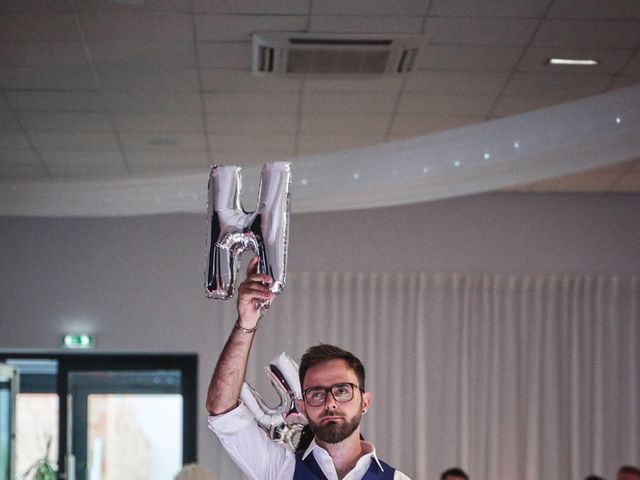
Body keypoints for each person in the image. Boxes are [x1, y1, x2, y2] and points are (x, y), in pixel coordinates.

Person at [206, 256, 411, 479]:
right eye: (317, 393)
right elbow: (222, 410)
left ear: (365, 402)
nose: (330, 402)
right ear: (303, 407)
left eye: (342, 391)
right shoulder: (279, 468)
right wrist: (245, 323)